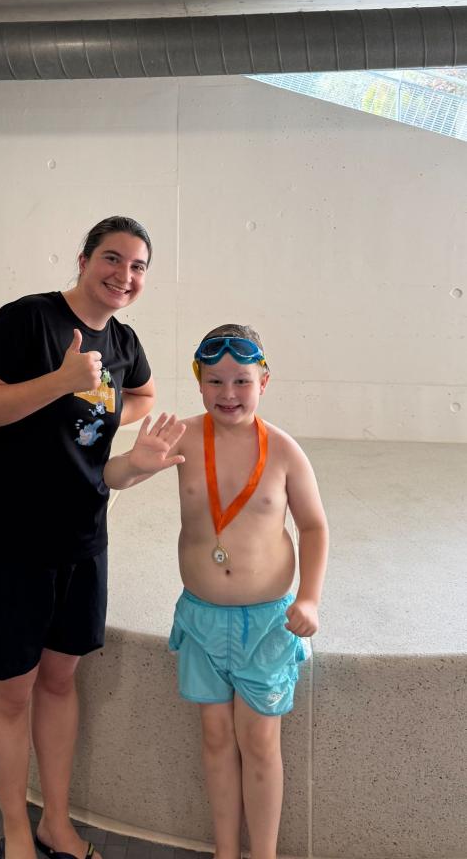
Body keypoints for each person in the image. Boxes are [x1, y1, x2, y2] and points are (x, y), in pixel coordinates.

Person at [0, 216, 161, 859]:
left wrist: (105, 413)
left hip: (81, 536)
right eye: (112, 258)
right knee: (12, 689)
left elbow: (143, 392)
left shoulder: (123, 341)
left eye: (138, 266)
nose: (124, 275)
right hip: (6, 537)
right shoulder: (28, 319)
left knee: (61, 680)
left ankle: (55, 823)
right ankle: (16, 829)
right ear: (84, 259)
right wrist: (62, 384)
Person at [104, 323, 329, 859]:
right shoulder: (181, 436)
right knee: (214, 739)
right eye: (216, 381)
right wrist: (134, 463)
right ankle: (225, 851)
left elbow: (314, 527)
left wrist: (309, 597)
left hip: (267, 623)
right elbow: (112, 478)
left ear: (263, 382)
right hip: (202, 619)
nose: (229, 393)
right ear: (199, 382)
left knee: (260, 742)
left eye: (242, 381)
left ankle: (264, 854)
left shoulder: (283, 451)